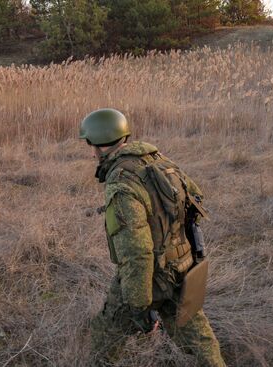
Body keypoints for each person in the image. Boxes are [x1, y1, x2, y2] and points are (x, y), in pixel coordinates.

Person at [81, 108, 226, 367]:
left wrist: (139, 307)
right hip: (182, 267)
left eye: (90, 145)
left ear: (99, 146)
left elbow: (136, 254)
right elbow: (196, 200)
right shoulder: (159, 160)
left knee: (104, 337)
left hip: (151, 278)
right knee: (201, 340)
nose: (91, 151)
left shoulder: (122, 184)